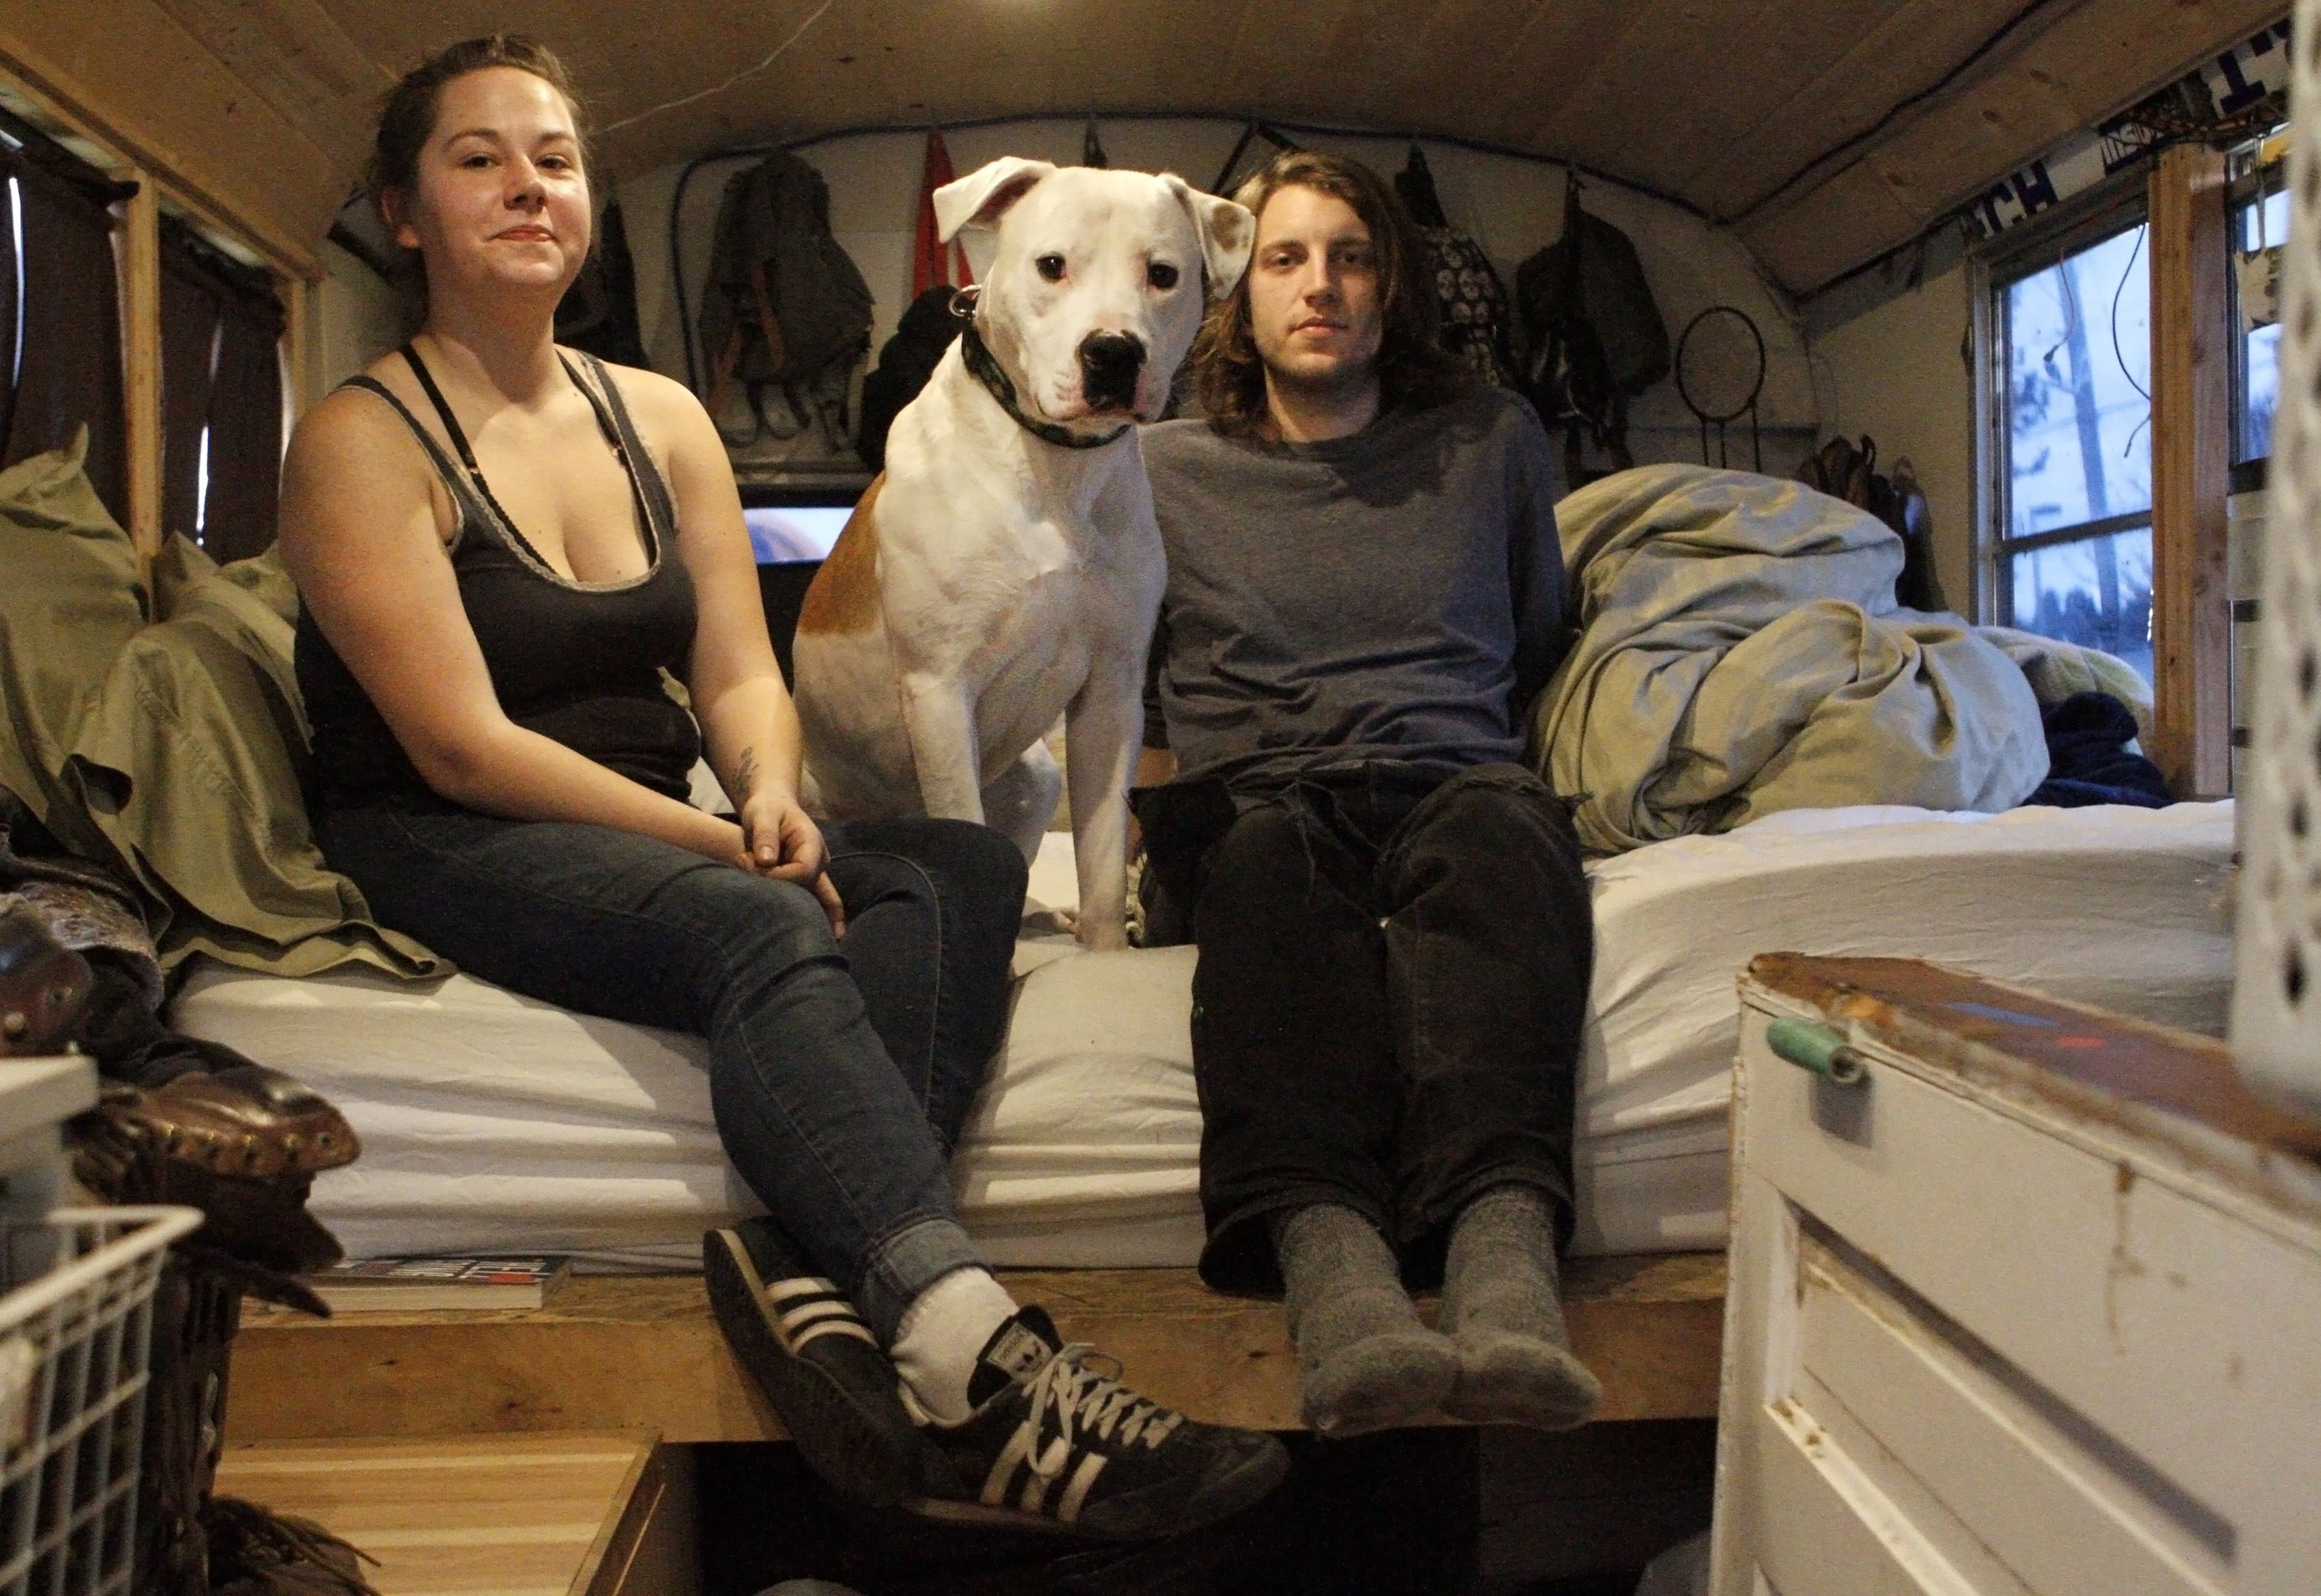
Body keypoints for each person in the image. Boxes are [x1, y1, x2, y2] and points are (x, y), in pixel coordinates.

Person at [281, 34, 1285, 1538]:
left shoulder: (660, 417)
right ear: (403, 210)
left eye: (553, 159)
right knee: (763, 928)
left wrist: (765, 785)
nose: (525, 187)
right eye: (476, 158)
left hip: (660, 805)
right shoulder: (361, 438)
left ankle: (807, 1271)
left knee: (957, 866)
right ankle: (978, 1362)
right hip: (449, 826)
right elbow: (461, 746)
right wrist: (720, 839)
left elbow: (745, 671)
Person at [1137, 150, 1603, 1438]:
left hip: (1448, 772)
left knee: (1511, 837)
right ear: (1239, 293)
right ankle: (1338, 1281)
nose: (1319, 285)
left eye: (1349, 256)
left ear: (1391, 283)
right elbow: (1112, 674)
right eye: (1285, 258)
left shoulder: (1490, 436)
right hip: (1255, 794)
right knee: (1263, 870)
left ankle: (1505, 1272)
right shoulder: (1161, 468)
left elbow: (1534, 627)